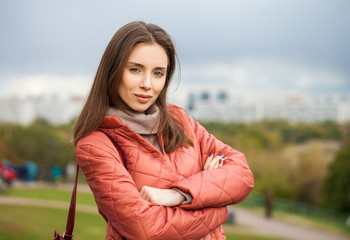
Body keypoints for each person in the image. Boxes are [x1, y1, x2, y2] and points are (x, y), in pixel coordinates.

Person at [73, 21, 254, 240]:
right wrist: (217, 204)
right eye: (135, 69)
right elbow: (146, 229)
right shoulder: (95, 145)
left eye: (158, 73)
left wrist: (178, 195)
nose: (147, 84)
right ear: (113, 70)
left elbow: (242, 175)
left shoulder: (181, 120)